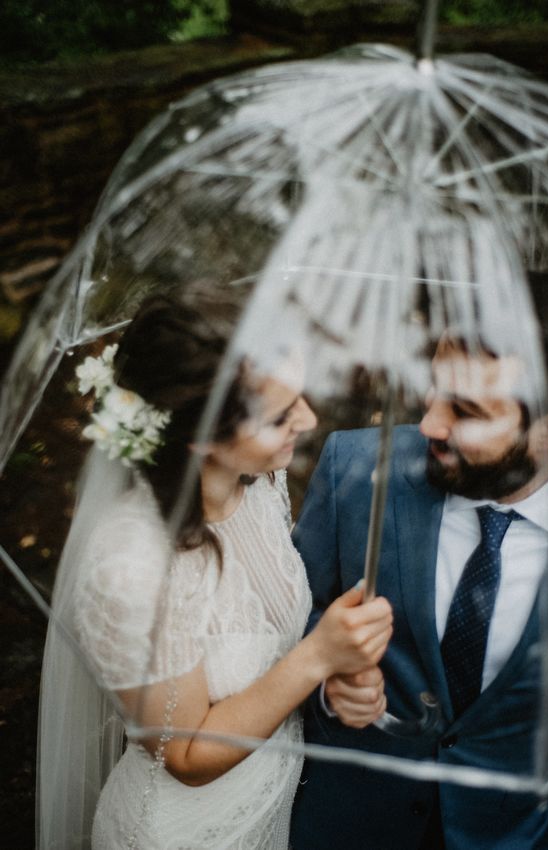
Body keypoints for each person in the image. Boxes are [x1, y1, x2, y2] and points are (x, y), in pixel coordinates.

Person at [36, 293, 393, 850]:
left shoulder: (260, 486)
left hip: (271, 806)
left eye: (299, 395)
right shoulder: (131, 566)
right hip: (185, 834)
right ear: (203, 436)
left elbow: (270, 652)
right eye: (280, 416)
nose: (310, 419)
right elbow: (184, 756)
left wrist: (337, 678)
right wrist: (315, 657)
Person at [290, 271, 548, 849]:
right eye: (433, 388)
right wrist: (326, 680)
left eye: (465, 410)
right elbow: (288, 617)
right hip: (354, 825)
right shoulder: (358, 472)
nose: (432, 422)